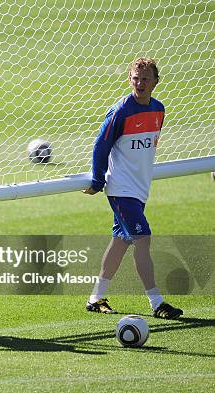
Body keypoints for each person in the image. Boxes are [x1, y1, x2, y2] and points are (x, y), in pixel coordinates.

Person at [83, 58, 183, 319]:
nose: (140, 83)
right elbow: (100, 146)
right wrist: (97, 180)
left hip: (139, 190)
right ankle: (157, 302)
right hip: (120, 189)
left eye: (145, 79)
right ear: (129, 79)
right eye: (135, 78)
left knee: (120, 242)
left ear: (155, 82)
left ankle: (95, 297)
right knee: (142, 237)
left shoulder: (159, 110)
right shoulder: (120, 112)